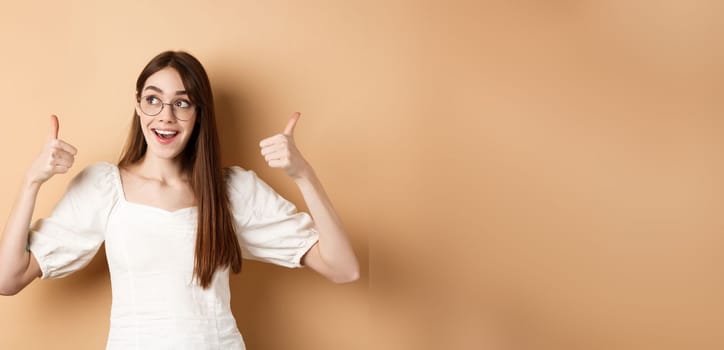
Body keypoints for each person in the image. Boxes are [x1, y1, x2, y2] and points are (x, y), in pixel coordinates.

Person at [0, 51, 359, 349]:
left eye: (182, 103)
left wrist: (303, 175)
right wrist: (32, 181)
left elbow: (344, 268)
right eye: (153, 99)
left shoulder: (232, 191)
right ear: (138, 106)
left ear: (198, 114)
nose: (165, 116)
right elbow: (8, 279)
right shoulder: (103, 187)